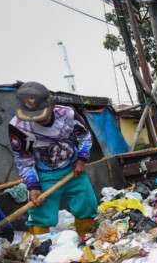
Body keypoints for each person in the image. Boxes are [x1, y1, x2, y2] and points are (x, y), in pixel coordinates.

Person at [8, 82, 98, 236]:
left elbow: (84, 136)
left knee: (86, 205)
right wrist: (33, 186)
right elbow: (24, 160)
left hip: (73, 169)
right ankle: (39, 249)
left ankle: (87, 239)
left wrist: (82, 159)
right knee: (40, 215)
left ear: (51, 105)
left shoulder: (68, 114)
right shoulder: (19, 127)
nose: (37, 120)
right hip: (44, 175)